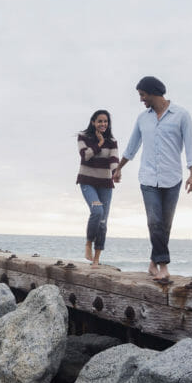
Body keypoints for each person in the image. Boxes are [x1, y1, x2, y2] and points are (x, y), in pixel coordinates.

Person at [113, 76, 192, 281]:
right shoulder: (143, 118)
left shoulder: (182, 115)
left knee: (165, 225)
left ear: (153, 93)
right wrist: (118, 168)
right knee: (154, 221)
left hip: (172, 178)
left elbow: (190, 146)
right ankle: (163, 267)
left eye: (143, 95)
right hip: (148, 178)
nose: (141, 99)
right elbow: (132, 147)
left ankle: (153, 262)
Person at [76, 110, 120, 268]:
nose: (103, 124)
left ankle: (96, 259)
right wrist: (100, 143)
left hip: (105, 184)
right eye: (100, 121)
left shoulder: (112, 141)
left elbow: (114, 159)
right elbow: (85, 155)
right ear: (93, 122)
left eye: (106, 121)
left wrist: (116, 173)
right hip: (87, 181)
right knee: (97, 211)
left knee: (103, 221)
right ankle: (88, 243)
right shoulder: (83, 136)